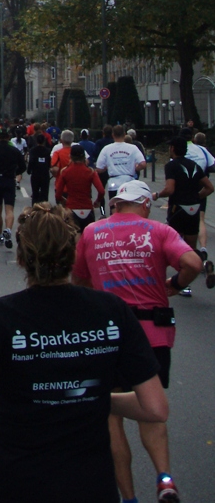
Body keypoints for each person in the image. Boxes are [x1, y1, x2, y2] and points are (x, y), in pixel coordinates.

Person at [0, 203, 168, 503]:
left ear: (21, 258)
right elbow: (155, 408)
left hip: (15, 481)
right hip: (90, 483)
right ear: (74, 253)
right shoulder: (112, 311)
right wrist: (88, 397)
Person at [73, 179, 202, 503]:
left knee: (111, 417)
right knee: (151, 410)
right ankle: (164, 479)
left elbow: (80, 278)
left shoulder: (92, 233)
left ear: (116, 204)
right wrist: (174, 283)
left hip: (110, 335)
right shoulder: (158, 231)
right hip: (153, 335)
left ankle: (128, 498)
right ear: (145, 204)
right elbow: (193, 264)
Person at [156, 136, 214, 294]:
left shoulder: (172, 166)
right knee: (190, 246)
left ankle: (182, 284)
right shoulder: (194, 165)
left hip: (178, 208)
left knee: (174, 245)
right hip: (194, 208)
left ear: (173, 149)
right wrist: (196, 197)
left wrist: (156, 195)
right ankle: (204, 262)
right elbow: (209, 188)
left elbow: (170, 189)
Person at [55, 144, 104, 231]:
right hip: (88, 208)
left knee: (73, 238)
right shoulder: (90, 172)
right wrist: (97, 201)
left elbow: (58, 194)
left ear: (70, 156)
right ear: (84, 157)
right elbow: (101, 191)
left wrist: (64, 201)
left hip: (71, 208)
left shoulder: (66, 172)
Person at [189, 131, 215, 282]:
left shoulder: (182, 150)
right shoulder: (203, 151)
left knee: (181, 225)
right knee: (201, 219)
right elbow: (212, 165)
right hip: (201, 187)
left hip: (185, 190)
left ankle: (190, 257)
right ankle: (203, 249)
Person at [96, 125, 147, 194]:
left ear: (113, 135)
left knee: (114, 203)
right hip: (129, 182)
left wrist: (106, 168)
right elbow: (143, 164)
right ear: (124, 134)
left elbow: (99, 168)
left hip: (113, 183)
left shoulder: (106, 149)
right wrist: (136, 168)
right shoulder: (133, 148)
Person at [27, 132, 52, 205]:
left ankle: (34, 209)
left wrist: (29, 170)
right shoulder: (48, 151)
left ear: (36, 141)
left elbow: (31, 161)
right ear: (44, 141)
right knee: (44, 194)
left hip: (35, 174)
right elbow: (49, 162)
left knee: (35, 193)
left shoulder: (33, 150)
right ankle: (44, 209)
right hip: (45, 174)